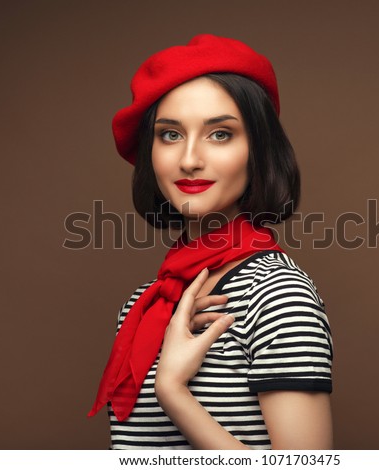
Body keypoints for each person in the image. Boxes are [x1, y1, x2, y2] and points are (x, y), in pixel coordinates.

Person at [88, 34, 333, 450]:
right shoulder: (143, 305)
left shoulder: (275, 294)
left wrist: (174, 392)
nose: (189, 159)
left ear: (258, 152)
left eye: (220, 134)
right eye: (170, 135)